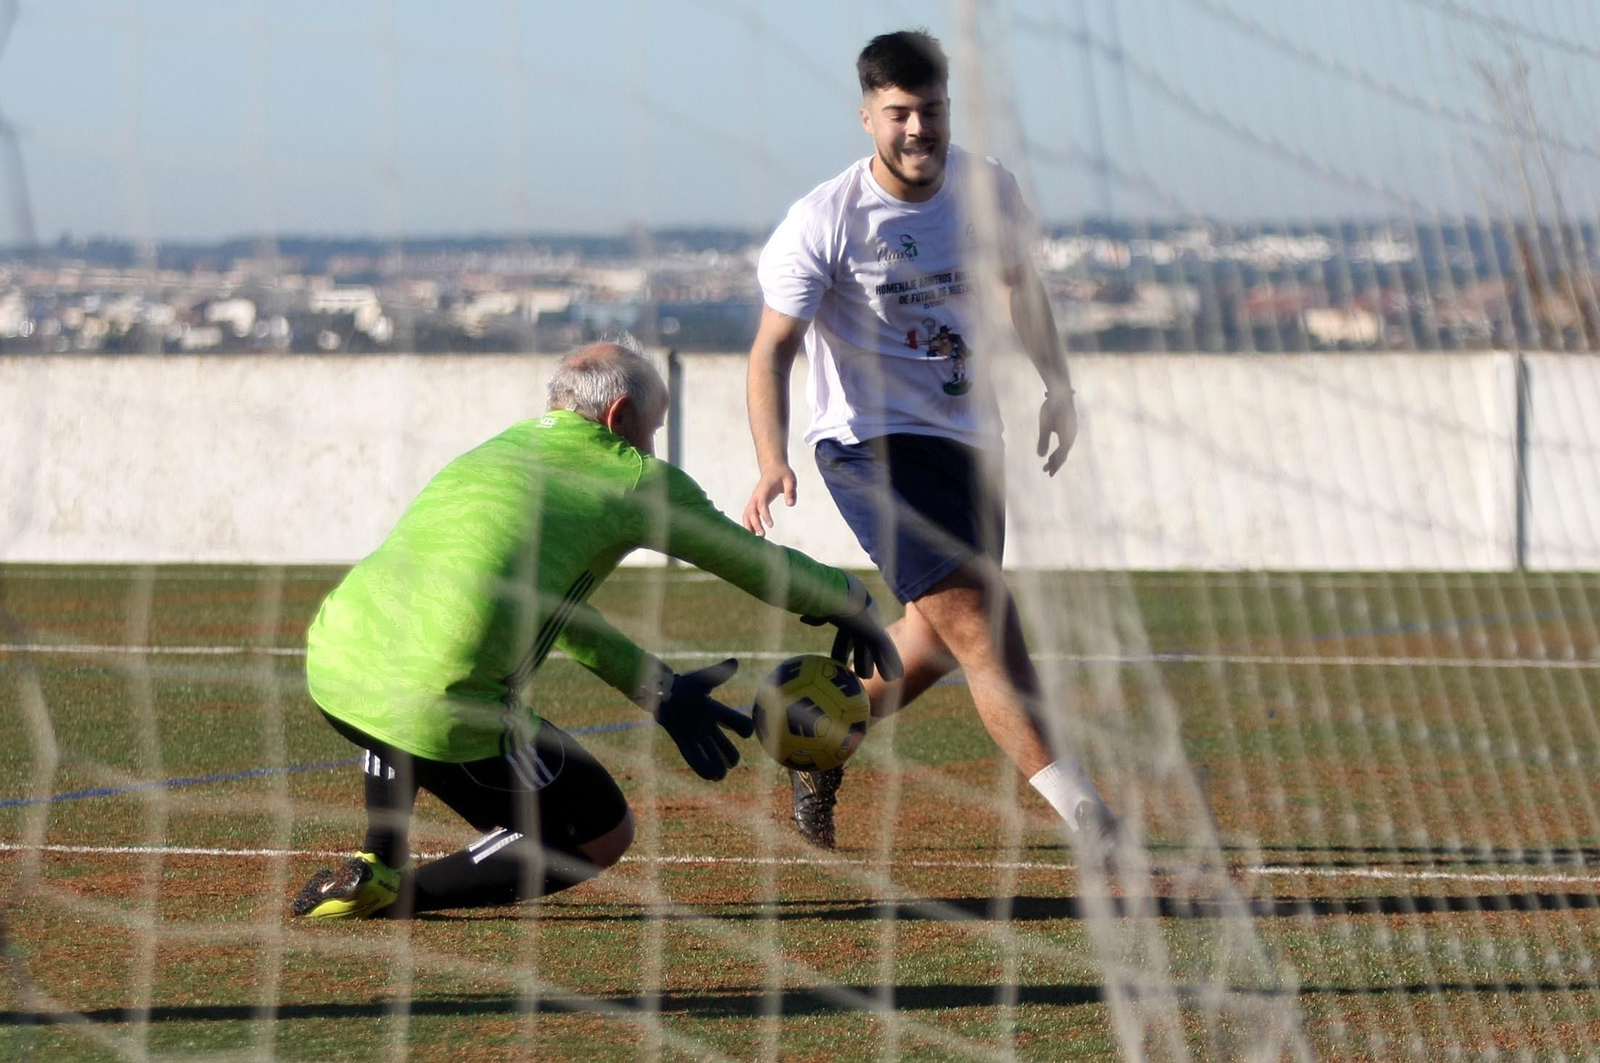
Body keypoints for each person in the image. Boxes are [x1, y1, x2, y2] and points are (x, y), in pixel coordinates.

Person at [293, 341, 901, 919]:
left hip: (333, 665)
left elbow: (555, 612)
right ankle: (400, 892)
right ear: (620, 415)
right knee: (600, 832)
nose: (652, 447)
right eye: (653, 431)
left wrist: (653, 685)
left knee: (399, 667)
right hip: (438, 703)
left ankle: (377, 858)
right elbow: (753, 564)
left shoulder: (501, 449)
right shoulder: (631, 475)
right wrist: (850, 598)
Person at [742, 30, 1119, 856]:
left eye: (932, 111)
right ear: (868, 116)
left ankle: (820, 739)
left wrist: (1059, 387)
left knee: (941, 640)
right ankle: (1088, 813)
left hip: (967, 439)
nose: (919, 130)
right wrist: (773, 458)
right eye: (899, 114)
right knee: (982, 620)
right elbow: (772, 350)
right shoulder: (824, 221)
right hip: (868, 446)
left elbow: (1024, 292)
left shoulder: (991, 192)